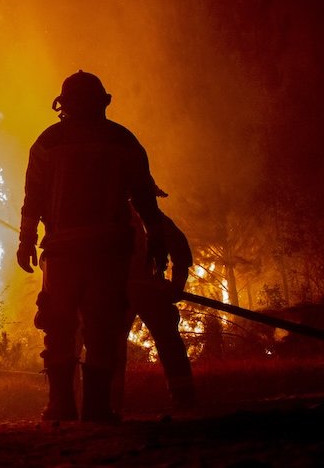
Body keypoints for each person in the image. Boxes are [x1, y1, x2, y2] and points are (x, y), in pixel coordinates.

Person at [17, 70, 165, 423]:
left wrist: (26, 240)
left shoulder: (47, 143)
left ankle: (60, 406)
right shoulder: (122, 140)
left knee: (59, 326)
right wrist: (156, 235)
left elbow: (32, 198)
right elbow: (144, 196)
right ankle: (97, 408)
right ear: (102, 102)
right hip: (107, 252)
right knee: (102, 327)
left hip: (63, 252)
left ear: (62, 105)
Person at [112, 206, 196, 413]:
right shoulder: (148, 216)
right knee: (168, 341)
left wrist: (177, 283)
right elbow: (180, 248)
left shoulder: (109, 218)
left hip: (128, 292)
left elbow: (179, 248)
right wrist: (177, 283)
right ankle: (184, 398)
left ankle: (110, 405)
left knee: (112, 347)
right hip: (143, 290)